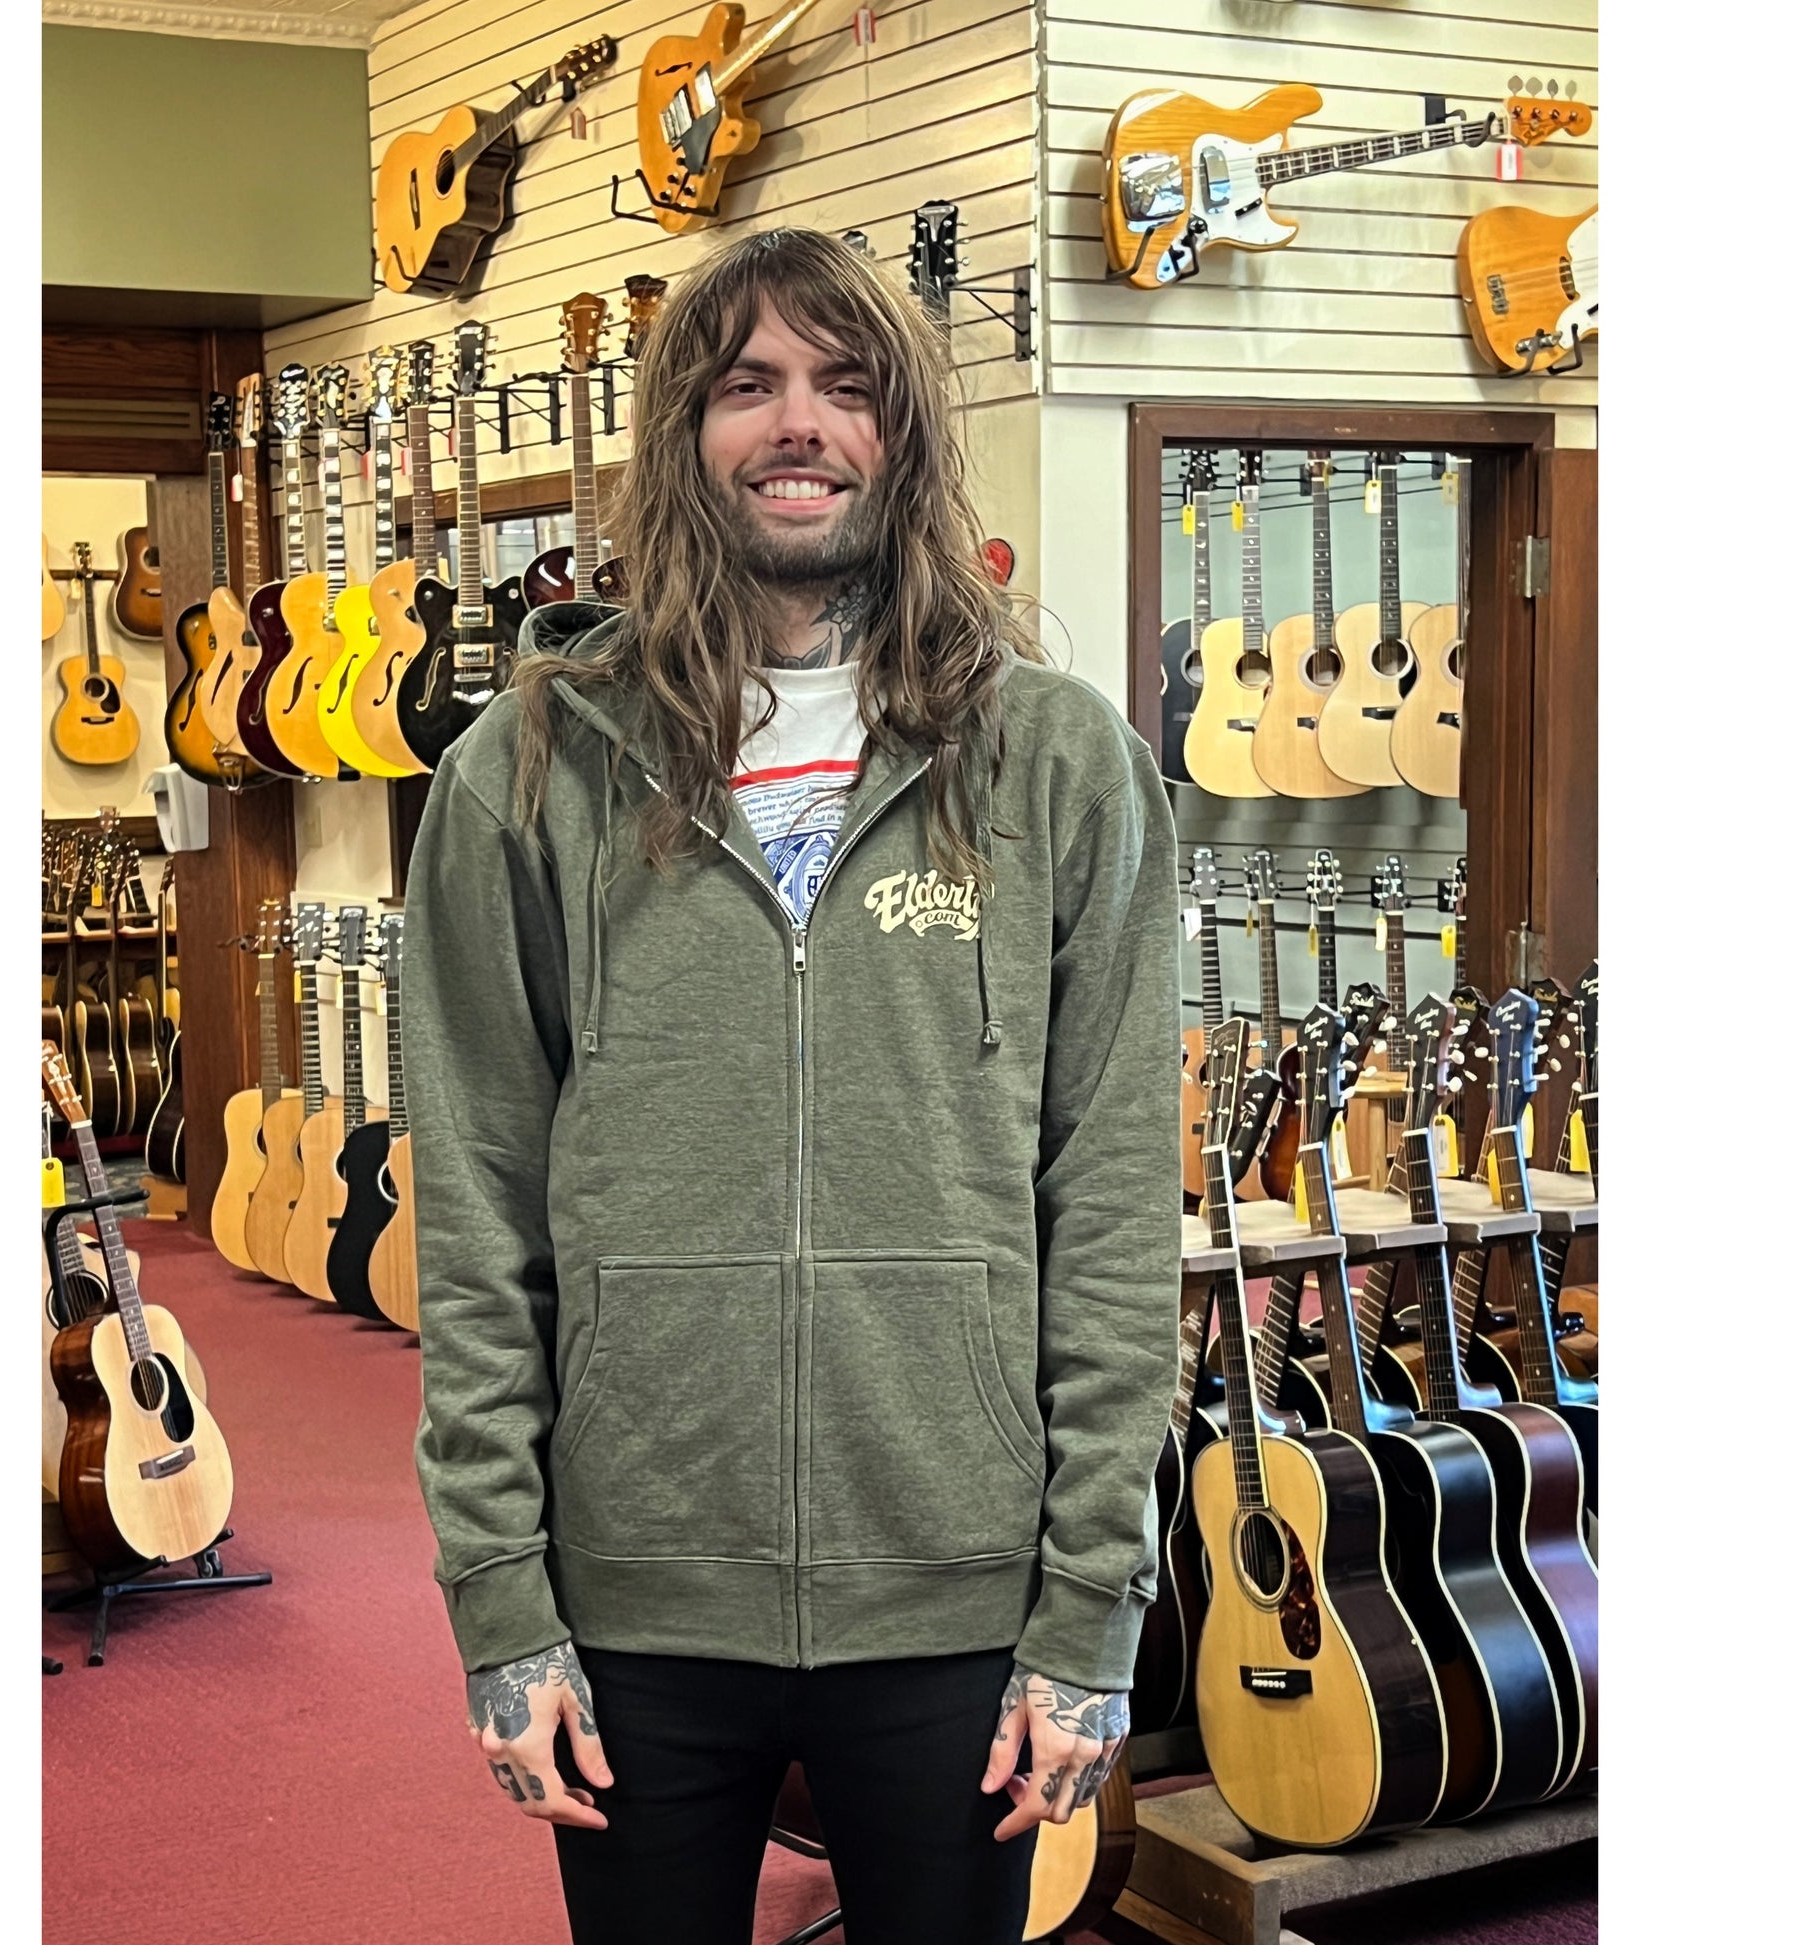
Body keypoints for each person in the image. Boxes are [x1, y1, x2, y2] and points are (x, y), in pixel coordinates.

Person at [401, 226, 1181, 1945]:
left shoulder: (1061, 766)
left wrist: (1085, 1611)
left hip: (956, 1591)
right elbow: (471, 1217)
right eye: (746, 385)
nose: (795, 423)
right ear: (683, 434)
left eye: (841, 383)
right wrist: (501, 1599)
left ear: (901, 431)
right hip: (635, 1588)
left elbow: (1113, 1213)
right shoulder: (519, 771)